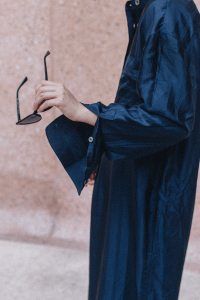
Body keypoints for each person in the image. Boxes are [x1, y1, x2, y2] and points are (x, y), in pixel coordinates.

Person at [33, 0, 200, 299]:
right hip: (132, 178)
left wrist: (87, 114)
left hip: (148, 196)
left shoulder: (168, 11)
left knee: (135, 285)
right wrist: (103, 146)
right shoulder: (151, 9)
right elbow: (143, 105)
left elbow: (169, 118)